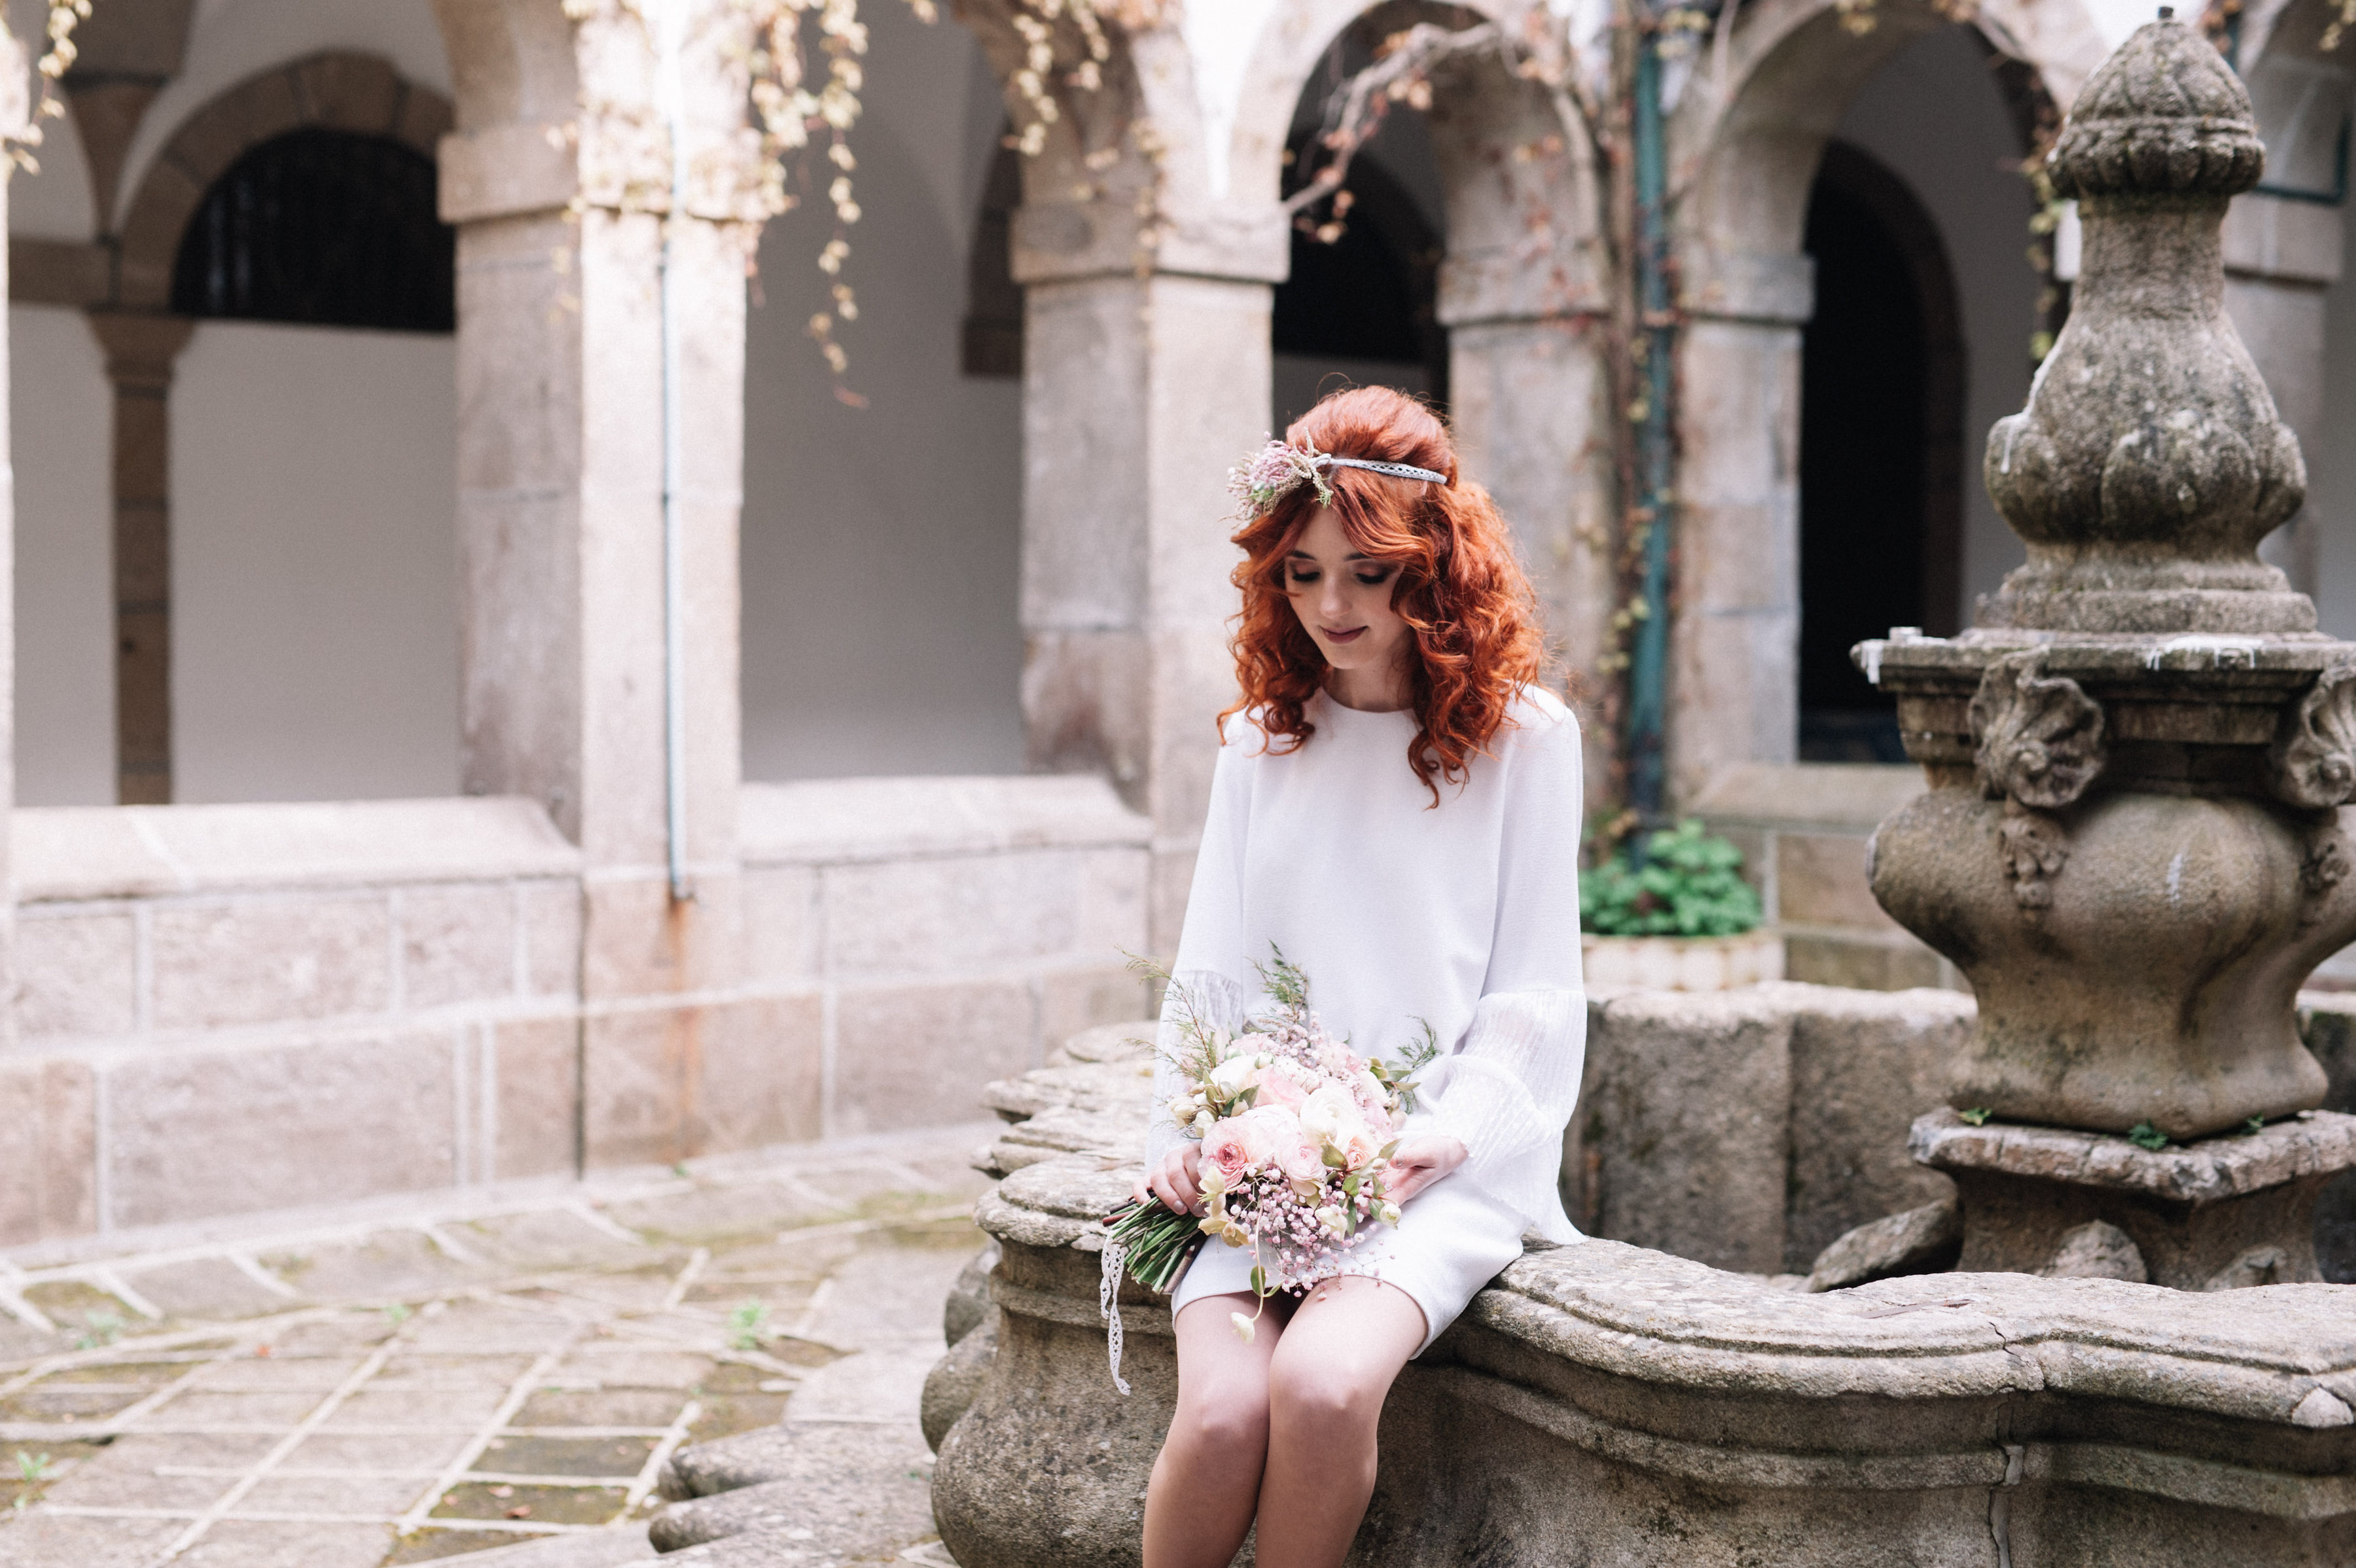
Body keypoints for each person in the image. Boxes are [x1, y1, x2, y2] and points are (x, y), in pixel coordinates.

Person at [1132, 385, 1587, 1568]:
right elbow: (1210, 973)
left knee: (1327, 1389)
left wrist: (1455, 1133)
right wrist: (1181, 1135)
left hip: (1432, 1168)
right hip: (1259, 1158)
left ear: (1432, 569)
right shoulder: (1259, 744)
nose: (1331, 604)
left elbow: (1536, 990)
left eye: (1367, 574)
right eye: (1301, 573)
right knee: (1228, 1408)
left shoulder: (1526, 743)